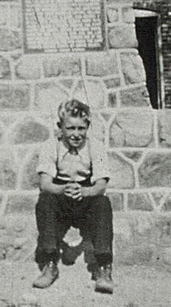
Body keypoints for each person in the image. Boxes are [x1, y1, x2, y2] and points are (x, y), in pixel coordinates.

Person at [33, 99, 114, 294]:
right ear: (60, 127)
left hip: (86, 195)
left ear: (88, 127)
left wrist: (85, 191)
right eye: (70, 128)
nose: (76, 134)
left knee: (103, 203)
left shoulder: (96, 146)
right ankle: (50, 263)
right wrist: (62, 190)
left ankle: (103, 267)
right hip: (60, 194)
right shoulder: (50, 146)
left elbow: (101, 185)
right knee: (45, 202)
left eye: (81, 128)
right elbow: (45, 184)